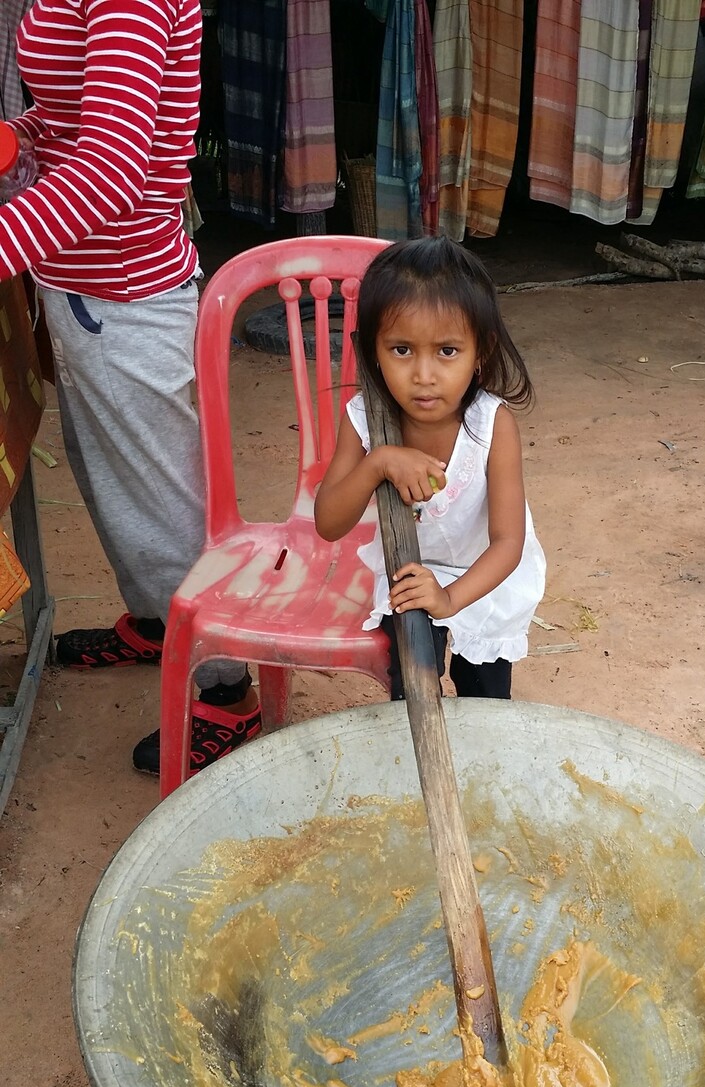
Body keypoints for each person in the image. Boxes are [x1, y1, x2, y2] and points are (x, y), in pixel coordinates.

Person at [0, 0, 260, 776]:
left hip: (126, 300)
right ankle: (158, 622)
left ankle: (224, 692)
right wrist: (21, 139)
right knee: (112, 484)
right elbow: (74, 117)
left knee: (162, 508)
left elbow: (111, 169)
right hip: (86, 291)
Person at [315, 236, 545, 700]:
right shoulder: (365, 419)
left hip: (484, 577)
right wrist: (377, 462)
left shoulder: (492, 425)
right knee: (412, 685)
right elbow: (328, 522)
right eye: (401, 350)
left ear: (481, 351)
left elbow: (508, 544)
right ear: (372, 350)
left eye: (446, 351)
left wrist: (450, 598)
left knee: (485, 696)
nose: (423, 375)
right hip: (407, 571)